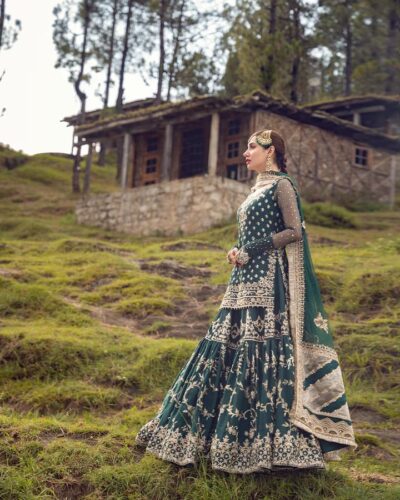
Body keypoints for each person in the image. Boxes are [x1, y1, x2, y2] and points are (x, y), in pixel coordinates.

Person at [135, 129, 357, 474]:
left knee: (260, 350)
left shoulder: (282, 185)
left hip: (268, 284)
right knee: (224, 346)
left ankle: (270, 447)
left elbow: (295, 231)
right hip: (242, 281)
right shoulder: (255, 188)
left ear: (271, 152)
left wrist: (251, 249)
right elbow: (249, 236)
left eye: (252, 147)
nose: (245, 152)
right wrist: (237, 249)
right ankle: (203, 438)